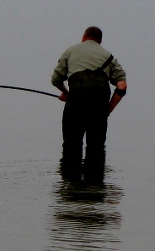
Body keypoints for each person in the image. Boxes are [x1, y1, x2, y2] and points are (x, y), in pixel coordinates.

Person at [51, 26, 127, 173]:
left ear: (84, 37)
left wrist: (66, 93)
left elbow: (56, 80)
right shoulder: (109, 57)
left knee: (71, 146)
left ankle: (70, 187)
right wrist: (107, 110)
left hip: (76, 101)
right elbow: (122, 86)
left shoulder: (71, 51)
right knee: (96, 148)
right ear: (100, 41)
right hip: (99, 104)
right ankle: (94, 188)